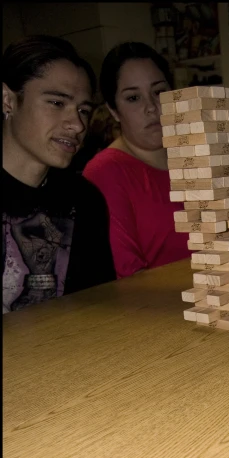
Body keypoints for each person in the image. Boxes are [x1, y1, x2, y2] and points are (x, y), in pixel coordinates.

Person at [2, 35, 116, 312]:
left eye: (84, 110)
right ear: (7, 100)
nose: (77, 124)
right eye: (56, 103)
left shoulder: (84, 200)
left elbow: (98, 308)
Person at [82, 42, 189, 279]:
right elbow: (128, 276)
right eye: (133, 98)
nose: (151, 107)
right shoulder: (105, 172)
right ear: (113, 110)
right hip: (157, 311)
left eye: (159, 92)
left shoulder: (193, 157)